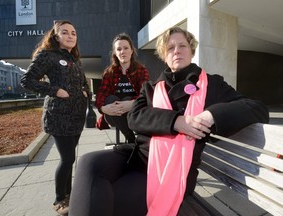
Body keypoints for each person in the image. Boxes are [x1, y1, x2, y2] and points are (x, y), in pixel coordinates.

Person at [69, 26, 269, 216]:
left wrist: (210, 116)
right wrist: (176, 121)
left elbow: (256, 108)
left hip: (172, 171)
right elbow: (135, 117)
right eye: (170, 48)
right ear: (164, 55)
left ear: (191, 50)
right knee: (88, 163)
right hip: (140, 158)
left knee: (109, 197)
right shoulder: (152, 86)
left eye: (182, 46)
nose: (176, 51)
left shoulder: (211, 84)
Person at [20, 20, 90, 215]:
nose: (70, 36)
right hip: (59, 117)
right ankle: (60, 199)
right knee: (67, 159)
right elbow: (27, 80)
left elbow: (84, 82)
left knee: (69, 158)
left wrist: (85, 91)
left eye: (73, 33)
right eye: (65, 32)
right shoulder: (47, 55)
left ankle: (68, 195)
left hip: (76, 116)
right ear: (56, 36)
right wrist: (55, 90)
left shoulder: (74, 59)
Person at [94, 33, 149, 143]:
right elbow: (101, 94)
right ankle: (131, 138)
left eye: (126, 48)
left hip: (134, 112)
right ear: (115, 53)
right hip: (113, 114)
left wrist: (133, 103)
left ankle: (129, 138)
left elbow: (146, 93)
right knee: (110, 99)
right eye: (119, 49)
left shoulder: (140, 70)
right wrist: (103, 108)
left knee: (127, 98)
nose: (122, 51)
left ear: (131, 50)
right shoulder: (110, 73)